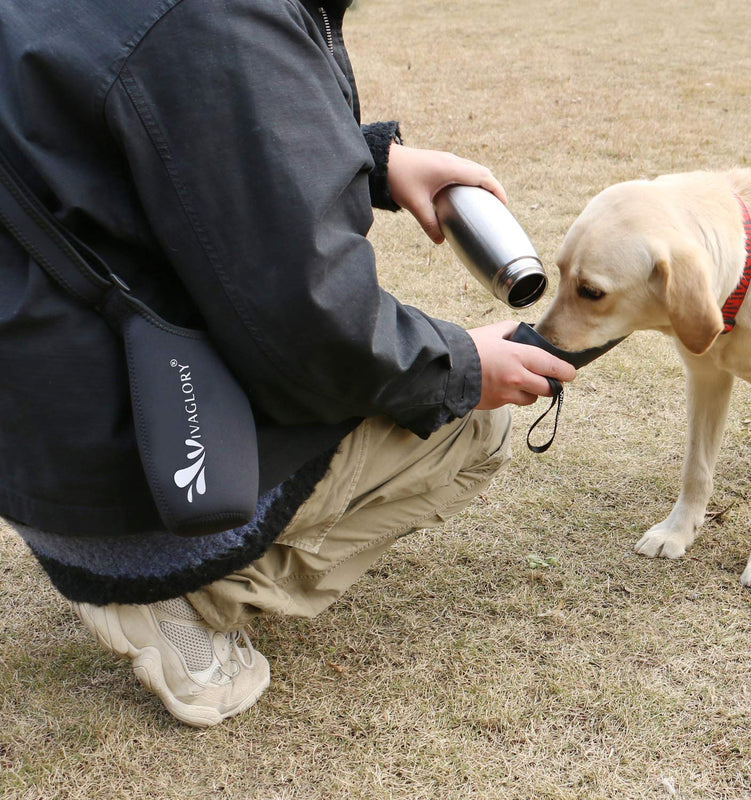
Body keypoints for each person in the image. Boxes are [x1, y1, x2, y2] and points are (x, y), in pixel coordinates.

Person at [0, 0, 575, 727]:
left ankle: (127, 555)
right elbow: (309, 325)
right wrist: (462, 364)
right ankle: (178, 594)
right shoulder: (218, 17)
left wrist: (370, 160)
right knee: (469, 426)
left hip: (36, 438)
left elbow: (140, 143)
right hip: (121, 464)